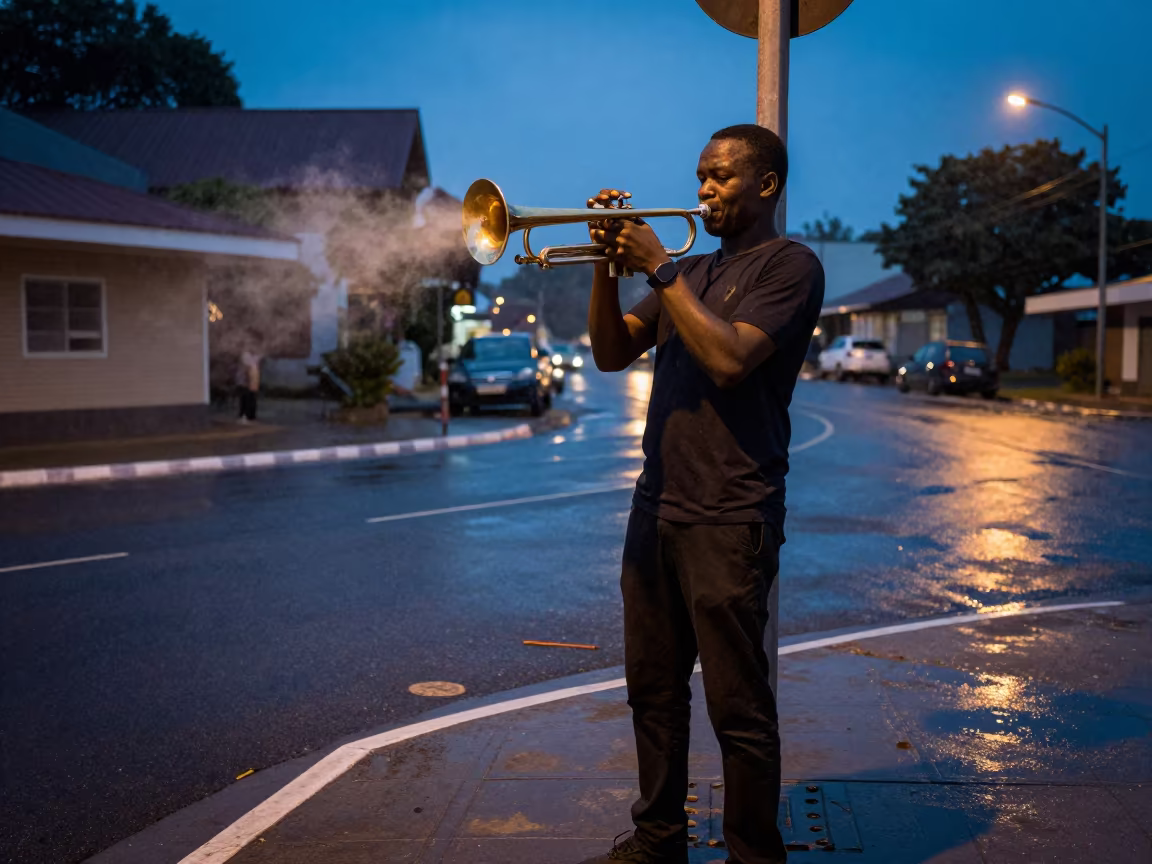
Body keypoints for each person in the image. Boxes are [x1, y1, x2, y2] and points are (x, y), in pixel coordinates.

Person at [579, 125, 825, 864]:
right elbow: (611, 351)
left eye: (719, 178)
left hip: (731, 516)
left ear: (766, 186)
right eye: (700, 177)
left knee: (737, 709)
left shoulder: (792, 267)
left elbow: (728, 359)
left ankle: (753, 853)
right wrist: (603, 264)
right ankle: (658, 840)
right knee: (653, 693)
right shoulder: (695, 272)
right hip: (656, 511)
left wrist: (658, 270)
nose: (703, 191)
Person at [235, 332, 263, 423]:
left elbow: (256, 361)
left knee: (252, 399)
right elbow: (249, 364)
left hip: (252, 382)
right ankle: (243, 415)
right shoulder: (245, 355)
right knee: (245, 398)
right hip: (243, 381)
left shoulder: (254, 355)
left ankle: (251, 415)